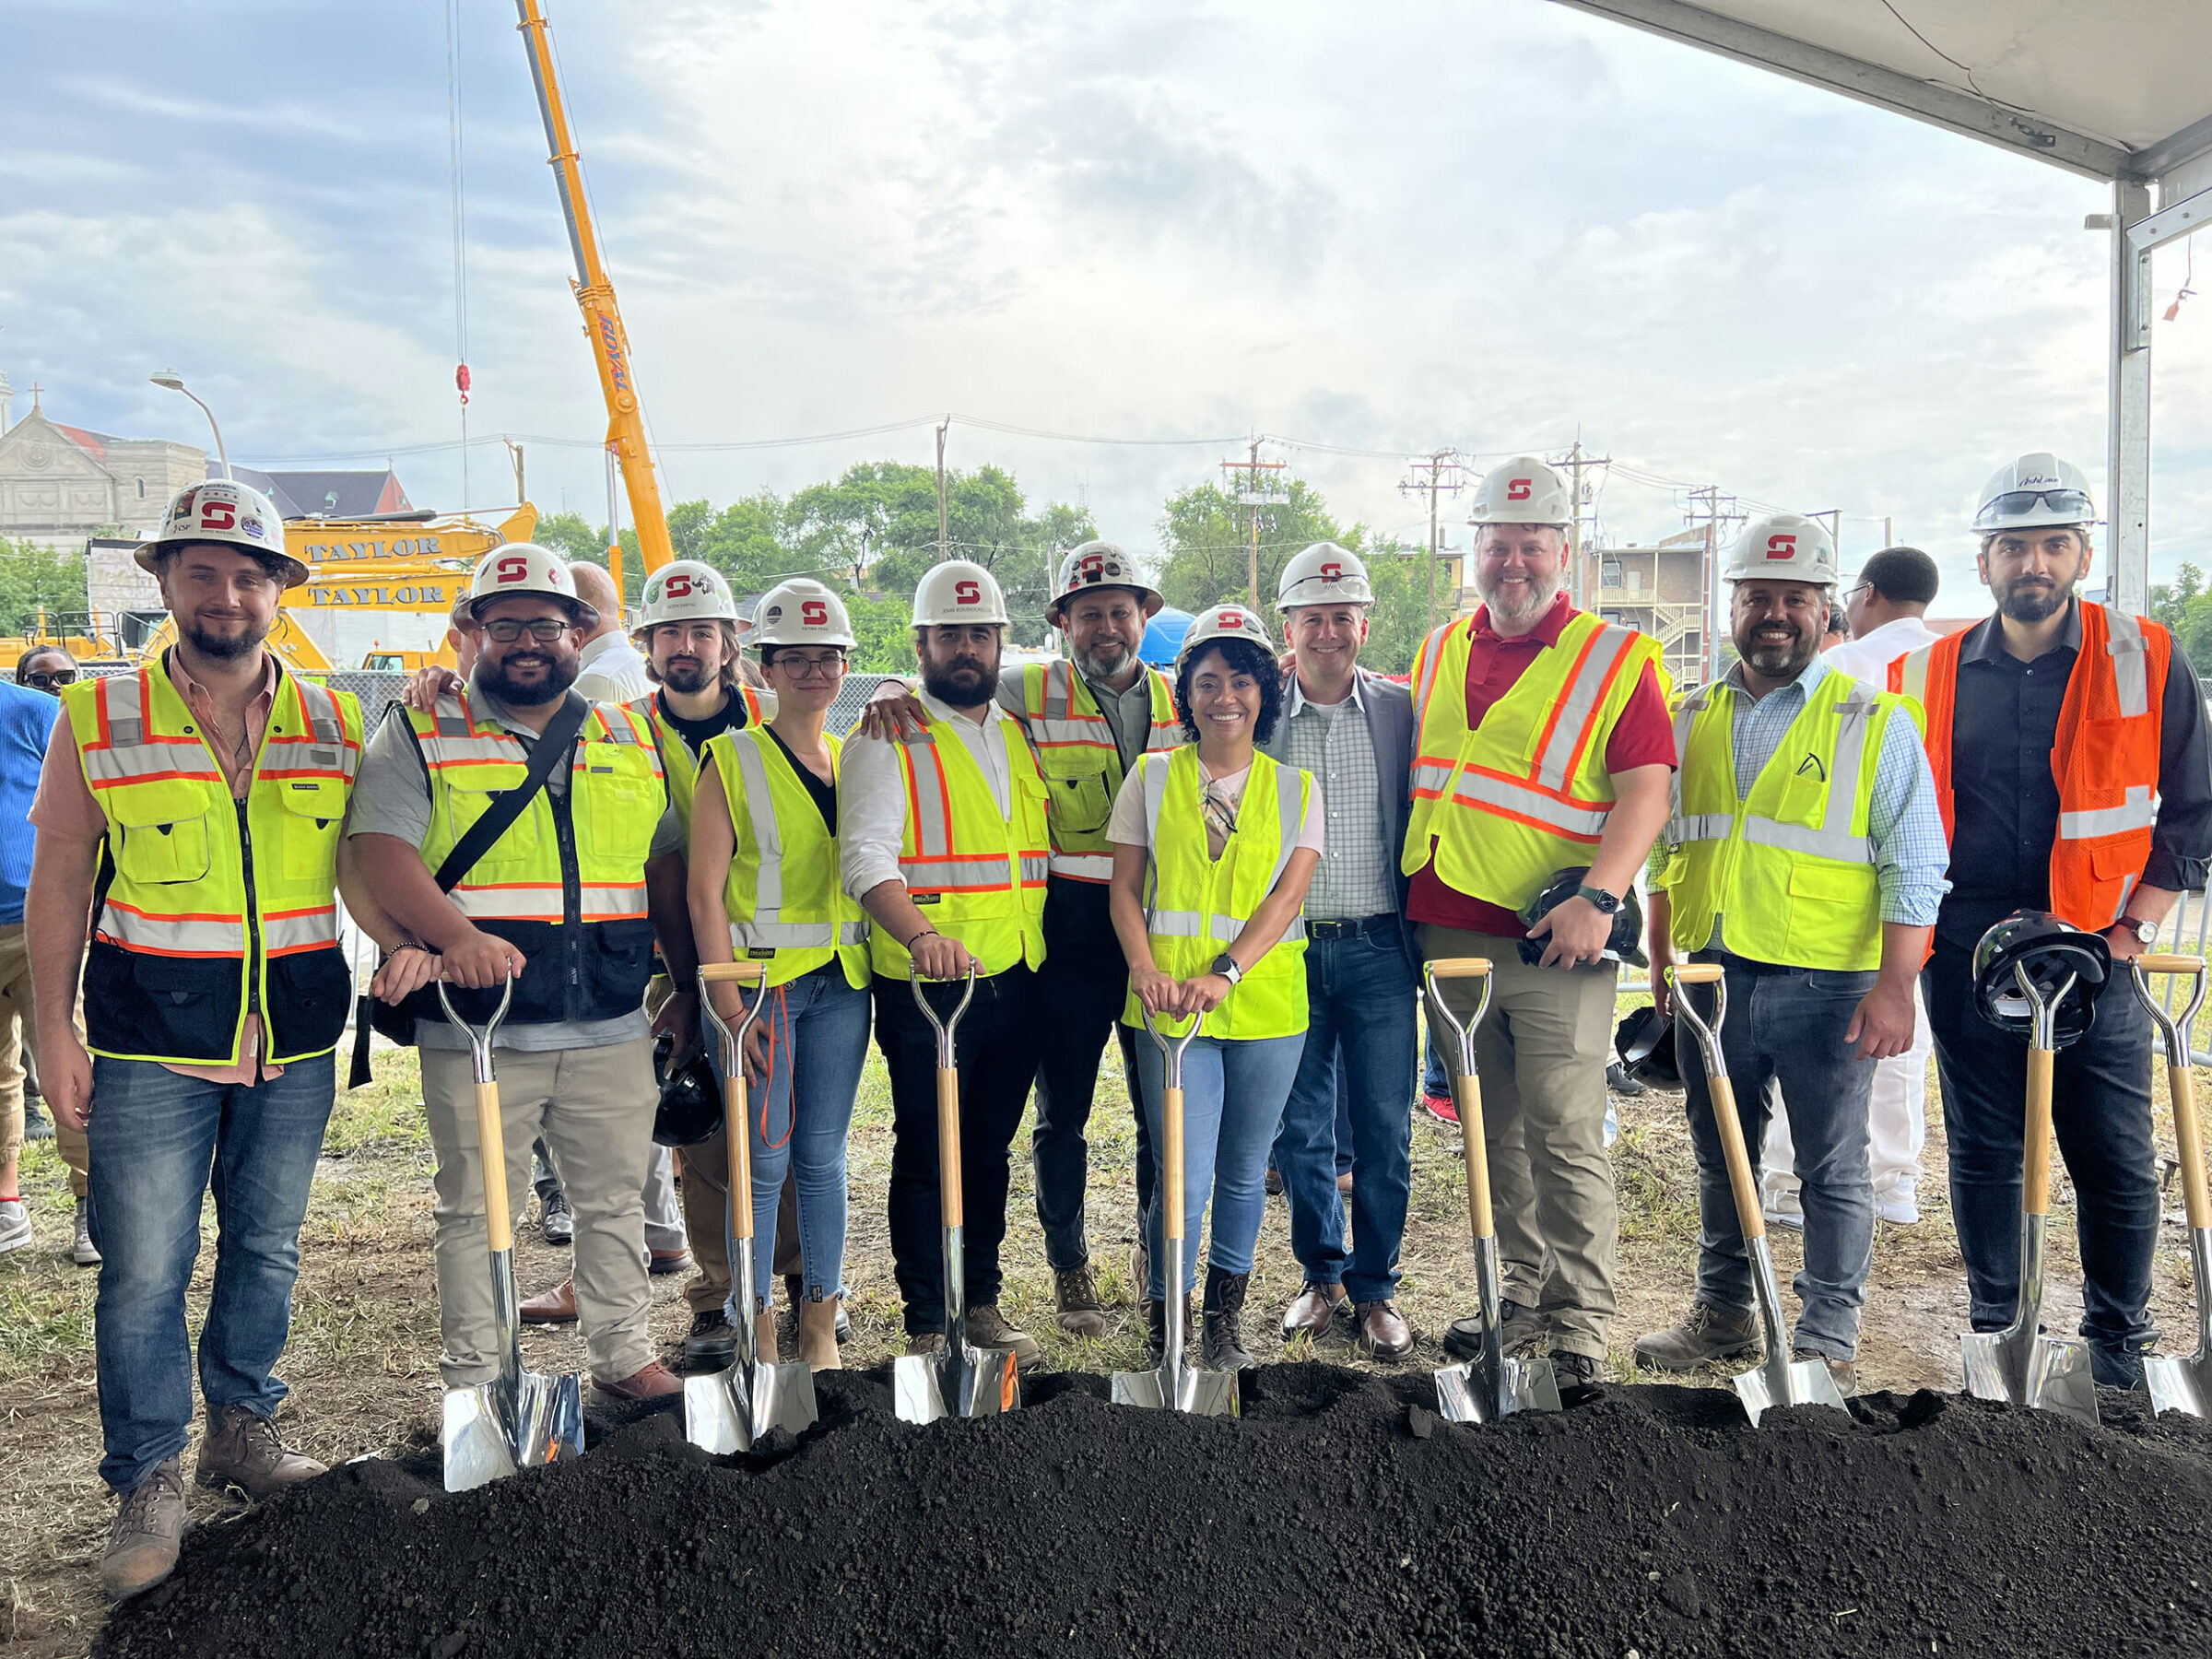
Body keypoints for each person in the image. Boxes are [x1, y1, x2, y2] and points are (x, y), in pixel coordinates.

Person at [28, 481, 357, 1599]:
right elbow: (63, 873)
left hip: (294, 1038)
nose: (228, 592)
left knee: (267, 1250)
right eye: (203, 571)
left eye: (250, 573)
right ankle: (149, 1477)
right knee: (143, 1271)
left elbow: (393, 840)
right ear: (164, 581)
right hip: (146, 1043)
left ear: (279, 591)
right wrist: (53, 1031)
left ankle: (243, 1430)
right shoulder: (97, 716)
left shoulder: (337, 719)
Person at [349, 544, 694, 1413]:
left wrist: (686, 987)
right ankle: (478, 1377)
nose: (527, 642)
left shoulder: (629, 731)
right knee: (476, 1210)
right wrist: (452, 935)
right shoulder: (421, 727)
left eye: (545, 623)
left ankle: (624, 1356)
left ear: (581, 632)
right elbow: (379, 850)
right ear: (472, 633)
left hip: (611, 1016)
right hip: (480, 1025)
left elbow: (663, 869)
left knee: (614, 1201)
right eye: (505, 626)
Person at [1893, 453, 2212, 1388]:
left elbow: (2193, 810)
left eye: (2054, 545)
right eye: (2014, 547)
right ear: (1983, 560)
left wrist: (2133, 932)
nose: (2034, 563)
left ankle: (2119, 1342)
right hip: (1969, 949)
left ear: (2082, 553)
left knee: (2110, 1152)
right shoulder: (1928, 672)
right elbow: (1902, 818)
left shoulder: (2145, 653)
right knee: (1986, 1150)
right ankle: (2001, 1329)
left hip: (2095, 951)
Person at [1636, 516, 1946, 1394]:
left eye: (1795, 600)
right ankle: (1725, 1310)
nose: (1776, 615)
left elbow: (1915, 862)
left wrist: (1895, 987)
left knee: (1831, 1166)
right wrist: (1662, 958)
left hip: (1827, 981)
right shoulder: (1690, 715)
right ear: (1733, 606)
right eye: (1758, 599)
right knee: (1719, 1152)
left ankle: (1826, 1334)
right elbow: (1666, 848)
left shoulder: (1872, 720)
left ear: (1826, 610)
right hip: (1711, 977)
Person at [1407, 457, 1676, 1403]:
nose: (1512, 562)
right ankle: (1520, 1293)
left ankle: (1581, 1323)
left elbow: (1648, 789)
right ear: (1471, 551)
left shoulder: (1614, 658)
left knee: (1565, 1131)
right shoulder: (1439, 648)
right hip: (1447, 933)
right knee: (1494, 1129)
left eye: (1531, 545)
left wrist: (1601, 898)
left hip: (1555, 940)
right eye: (1496, 544)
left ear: (1564, 552)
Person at [863, 541, 1182, 1335]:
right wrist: (891, 687)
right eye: (1088, 614)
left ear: (1145, 615)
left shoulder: (1184, 699)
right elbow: (942, 694)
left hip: (1155, 928)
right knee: (1060, 1113)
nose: (1106, 627)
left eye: (1120, 610)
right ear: (1061, 624)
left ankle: (1154, 1267)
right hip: (1063, 935)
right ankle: (1066, 1271)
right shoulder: (1025, 692)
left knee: (1157, 1112)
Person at [841, 560, 1048, 1367]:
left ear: (1001, 643)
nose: (966, 649)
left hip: (1017, 975)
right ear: (920, 644)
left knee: (990, 1150)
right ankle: (929, 1315)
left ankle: (982, 1300)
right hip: (930, 989)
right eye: (949, 635)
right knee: (929, 1150)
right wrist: (921, 934)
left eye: (981, 635)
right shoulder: (885, 736)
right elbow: (864, 859)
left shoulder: (1016, 729)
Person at [1111, 604, 1320, 1370]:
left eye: (1240, 680)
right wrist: (1145, 970)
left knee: (1241, 1171)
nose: (1223, 696)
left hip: (1263, 1007)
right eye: (1206, 681)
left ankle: (1224, 1322)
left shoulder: (1297, 789)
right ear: (1186, 694)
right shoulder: (1152, 776)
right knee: (1183, 1170)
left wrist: (1224, 973)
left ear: (1263, 691)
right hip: (1166, 1005)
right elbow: (1125, 890)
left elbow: (1285, 899)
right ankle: (1172, 1320)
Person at [689, 579, 871, 1371]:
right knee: (760, 1163)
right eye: (793, 658)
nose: (813, 671)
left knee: (824, 1159)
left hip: (841, 985)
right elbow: (703, 889)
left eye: (827, 657)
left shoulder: (855, 757)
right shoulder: (729, 759)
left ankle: (820, 1324)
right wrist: (727, 1000)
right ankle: (755, 1321)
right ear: (763, 668)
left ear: (844, 667)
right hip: (760, 990)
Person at [1260, 544, 1420, 1359]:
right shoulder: (1257, 715)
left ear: (1364, 624)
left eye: (1340, 617)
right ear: (1286, 628)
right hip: (1286, 951)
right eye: (1310, 618)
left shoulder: (1402, 712)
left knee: (1386, 1127)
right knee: (1302, 1131)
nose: (1327, 632)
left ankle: (1376, 1286)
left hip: (1379, 950)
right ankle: (1320, 1277)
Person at [1762, 544, 1946, 1229]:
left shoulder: (1843, 667)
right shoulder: (1951, 660)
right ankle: (1896, 1178)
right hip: (1930, 868)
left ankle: (1786, 1177)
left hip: (1836, 886)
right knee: (1903, 1024)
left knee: (1822, 1037)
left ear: (1863, 594)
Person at [3, 647, 95, 1265]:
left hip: (38, 925)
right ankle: (6, 1205)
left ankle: (95, 1206)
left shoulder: (34, 711)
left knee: (74, 1064)